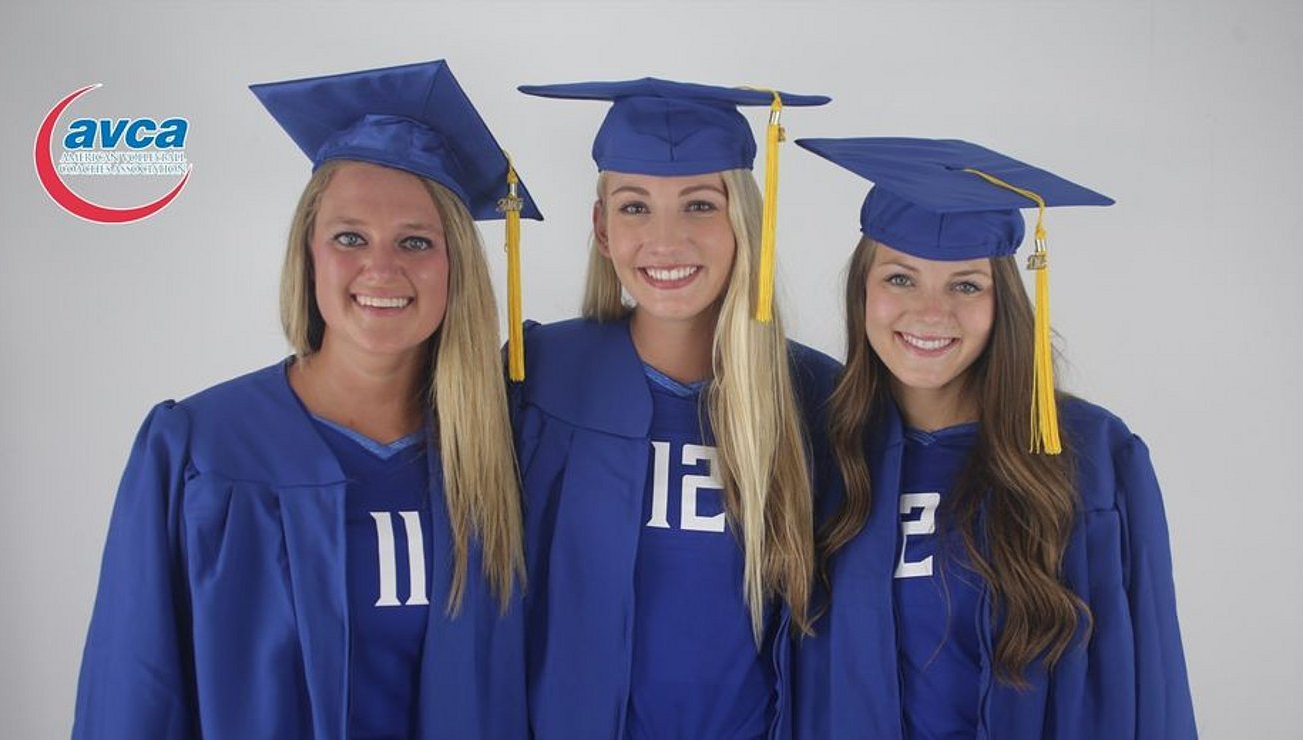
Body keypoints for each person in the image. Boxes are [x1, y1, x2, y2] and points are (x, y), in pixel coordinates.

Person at [71, 60, 539, 739]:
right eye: (350, 238)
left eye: (415, 241)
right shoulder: (202, 450)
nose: (381, 268)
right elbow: (134, 692)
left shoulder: (504, 450)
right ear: (309, 255)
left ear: (455, 267)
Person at [792, 137, 1197, 739]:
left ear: (1002, 301)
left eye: (966, 285)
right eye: (900, 277)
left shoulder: (1086, 457)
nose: (931, 313)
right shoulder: (822, 453)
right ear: (862, 291)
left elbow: (1143, 678)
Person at [511, 78, 838, 739]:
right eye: (634, 207)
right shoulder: (538, 377)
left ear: (744, 221)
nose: (665, 240)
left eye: (699, 205)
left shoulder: (815, 397)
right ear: (602, 229)